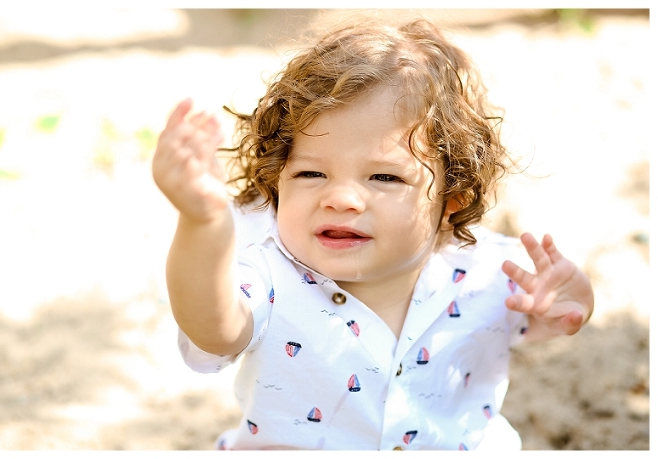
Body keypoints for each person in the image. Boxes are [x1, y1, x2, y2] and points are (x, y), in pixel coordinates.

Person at [152, 15, 594, 451]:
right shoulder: (269, 276)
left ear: (452, 199)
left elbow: (548, 315)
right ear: (276, 181)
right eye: (310, 173)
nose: (341, 198)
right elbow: (215, 327)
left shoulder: (492, 272)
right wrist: (202, 222)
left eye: (383, 178)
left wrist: (570, 299)